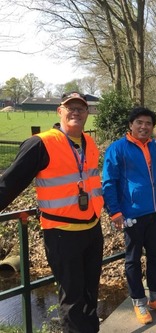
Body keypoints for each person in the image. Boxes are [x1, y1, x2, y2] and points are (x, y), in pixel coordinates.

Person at [0, 92, 104, 332]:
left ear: (87, 113)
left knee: (90, 292)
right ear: (60, 111)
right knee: (73, 299)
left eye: (81, 108)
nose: (76, 112)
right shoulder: (41, 143)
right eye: (70, 108)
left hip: (92, 229)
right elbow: (9, 184)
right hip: (61, 233)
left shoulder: (90, 143)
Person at [102, 107, 156, 325]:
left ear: (153, 127)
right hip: (131, 214)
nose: (144, 127)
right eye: (139, 122)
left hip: (155, 211)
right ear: (131, 125)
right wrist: (115, 212)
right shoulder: (117, 149)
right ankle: (139, 301)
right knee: (132, 260)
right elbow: (108, 182)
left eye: (148, 123)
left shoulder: (154, 146)